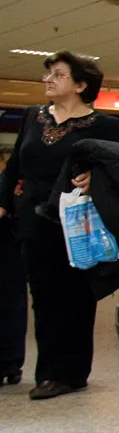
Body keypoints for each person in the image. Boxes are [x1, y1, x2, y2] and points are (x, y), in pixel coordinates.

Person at [0, 51, 119, 399]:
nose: (48, 80)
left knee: (75, 295)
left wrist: (96, 178)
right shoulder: (33, 117)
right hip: (32, 218)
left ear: (81, 85)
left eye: (58, 75)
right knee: (43, 296)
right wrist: (2, 202)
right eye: (48, 74)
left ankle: (70, 373)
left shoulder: (104, 125)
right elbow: (14, 167)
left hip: (77, 220)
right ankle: (48, 372)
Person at [0, 147, 27, 387]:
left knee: (9, 298)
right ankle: (9, 361)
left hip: (7, 236)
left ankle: (8, 361)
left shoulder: (10, 177)